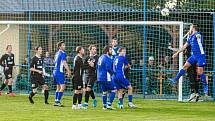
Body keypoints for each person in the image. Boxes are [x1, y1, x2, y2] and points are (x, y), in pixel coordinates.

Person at [168, 25, 208, 95]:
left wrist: (198, 38)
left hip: (200, 56)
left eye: (190, 27)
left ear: (193, 28)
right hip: (194, 56)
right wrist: (177, 53)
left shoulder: (197, 34)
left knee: (200, 72)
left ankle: (205, 86)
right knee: (185, 66)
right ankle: (175, 79)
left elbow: (199, 39)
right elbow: (184, 46)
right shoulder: (190, 37)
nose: (189, 29)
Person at [97, 45, 116, 110]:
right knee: (114, 89)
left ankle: (104, 106)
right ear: (107, 51)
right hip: (106, 77)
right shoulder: (107, 58)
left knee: (104, 92)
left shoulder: (100, 57)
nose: (111, 51)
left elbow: (97, 67)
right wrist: (113, 73)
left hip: (100, 77)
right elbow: (108, 68)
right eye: (110, 50)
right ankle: (109, 104)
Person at [53, 41, 71, 107]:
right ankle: (58, 101)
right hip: (59, 72)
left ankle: (56, 100)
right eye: (63, 45)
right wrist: (68, 70)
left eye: (64, 45)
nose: (64, 46)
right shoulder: (63, 53)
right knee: (63, 87)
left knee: (58, 87)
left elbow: (54, 61)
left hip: (55, 71)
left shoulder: (57, 53)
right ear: (60, 47)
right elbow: (64, 62)